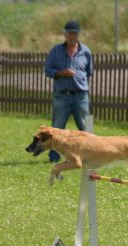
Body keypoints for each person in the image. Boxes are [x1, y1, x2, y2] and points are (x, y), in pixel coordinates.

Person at [45, 21, 93, 162]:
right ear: (65, 34)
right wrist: (61, 73)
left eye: (75, 33)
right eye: (70, 33)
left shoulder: (86, 51)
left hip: (81, 96)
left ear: (78, 34)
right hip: (62, 96)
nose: (72, 36)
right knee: (56, 129)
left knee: (85, 128)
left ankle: (89, 155)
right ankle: (54, 157)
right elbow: (47, 70)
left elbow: (89, 72)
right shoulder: (55, 51)